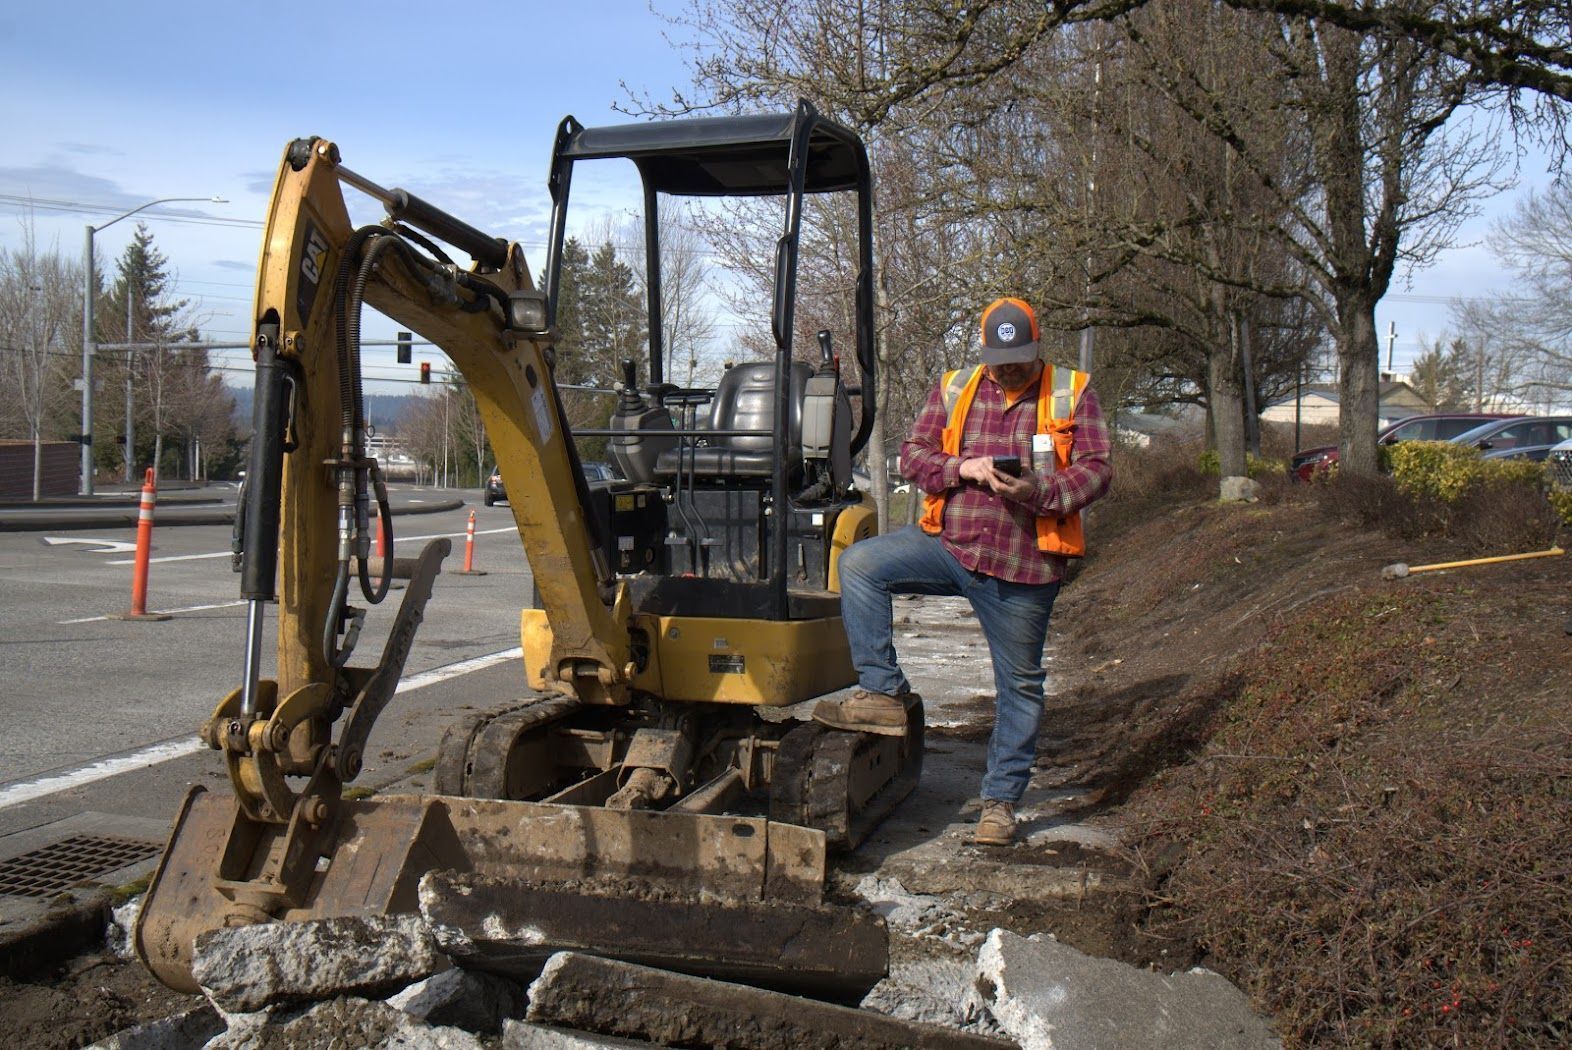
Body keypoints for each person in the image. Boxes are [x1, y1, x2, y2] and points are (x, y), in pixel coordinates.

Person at [813, 297, 1113, 846]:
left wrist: (1040, 492)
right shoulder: (957, 387)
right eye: (1000, 359)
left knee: (1019, 685)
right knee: (859, 563)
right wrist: (961, 467)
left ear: (1036, 347)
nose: (1009, 369)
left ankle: (1000, 803)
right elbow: (912, 455)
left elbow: (1096, 471)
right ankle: (881, 690)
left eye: (1020, 358)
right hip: (948, 545)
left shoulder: (1072, 390)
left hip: (1025, 566)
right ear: (984, 351)